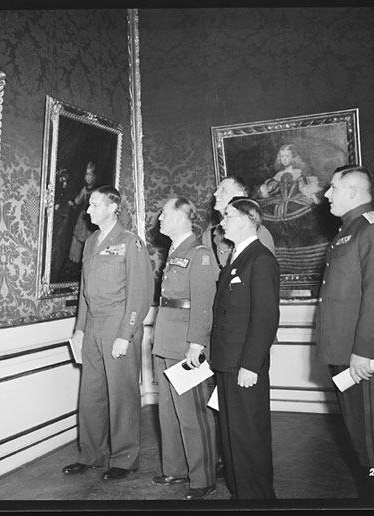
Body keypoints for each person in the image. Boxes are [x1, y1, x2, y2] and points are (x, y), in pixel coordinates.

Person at [316, 164, 374, 499]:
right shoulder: (349, 230)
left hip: (364, 357)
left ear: (352, 190)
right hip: (346, 353)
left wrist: (364, 351)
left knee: (371, 446)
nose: (326, 194)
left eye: (333, 188)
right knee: (361, 443)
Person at [63, 186, 154, 481]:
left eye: (95, 205)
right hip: (93, 325)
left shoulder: (130, 242)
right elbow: (84, 292)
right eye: (89, 205)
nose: (88, 210)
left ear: (113, 207)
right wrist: (79, 329)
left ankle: (124, 459)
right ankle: (91, 455)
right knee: (91, 394)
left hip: (118, 323)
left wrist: (125, 334)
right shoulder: (91, 242)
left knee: (122, 394)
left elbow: (140, 293)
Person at [210, 196, 280, 500]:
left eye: (227, 215)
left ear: (245, 219)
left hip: (244, 364)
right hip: (227, 361)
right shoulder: (236, 258)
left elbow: (265, 318)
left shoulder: (260, 259)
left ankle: (258, 499)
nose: (222, 222)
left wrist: (251, 364)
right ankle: (240, 496)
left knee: (249, 436)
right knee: (232, 435)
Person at [151, 196, 218, 500]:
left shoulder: (199, 253)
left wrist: (197, 344)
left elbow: (203, 303)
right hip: (166, 339)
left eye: (164, 213)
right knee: (168, 411)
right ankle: (176, 468)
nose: (160, 218)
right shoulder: (175, 251)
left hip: (185, 344)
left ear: (181, 217)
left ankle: (203, 477)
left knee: (193, 414)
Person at [202, 176, 275, 269]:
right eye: (217, 189)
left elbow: (265, 269)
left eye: (223, 189)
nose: (215, 194)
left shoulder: (259, 233)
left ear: (240, 195)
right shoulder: (208, 236)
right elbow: (206, 271)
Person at [256, 143, 322, 221]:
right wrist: (265, 190)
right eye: (282, 156)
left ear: (293, 157)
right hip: (279, 201)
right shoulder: (278, 175)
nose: (284, 159)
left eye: (287, 156)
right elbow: (271, 192)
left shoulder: (299, 172)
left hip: (296, 201)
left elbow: (306, 188)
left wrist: (314, 198)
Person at [67, 161, 98, 264]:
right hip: (83, 217)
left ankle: (87, 262)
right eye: (87, 174)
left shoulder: (97, 191)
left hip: (91, 218)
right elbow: (78, 199)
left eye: (90, 175)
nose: (88, 177)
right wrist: (73, 202)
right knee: (78, 237)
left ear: (94, 176)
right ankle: (75, 261)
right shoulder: (84, 189)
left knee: (89, 239)